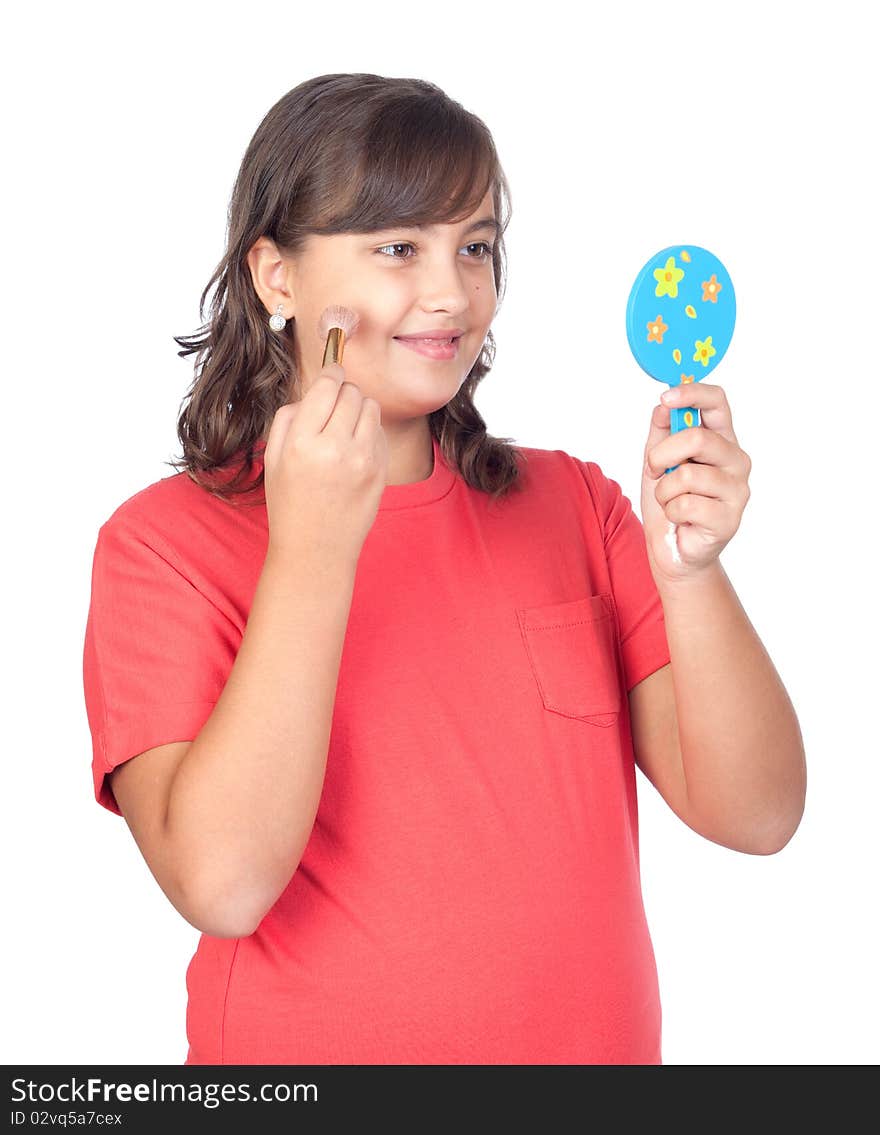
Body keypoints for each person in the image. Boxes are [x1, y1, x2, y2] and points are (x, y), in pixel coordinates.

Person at [81, 72, 806, 1066]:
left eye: (474, 247)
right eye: (396, 247)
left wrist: (688, 574)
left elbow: (759, 814)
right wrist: (312, 555)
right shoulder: (163, 545)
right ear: (276, 276)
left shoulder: (576, 507)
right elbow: (222, 883)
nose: (449, 292)